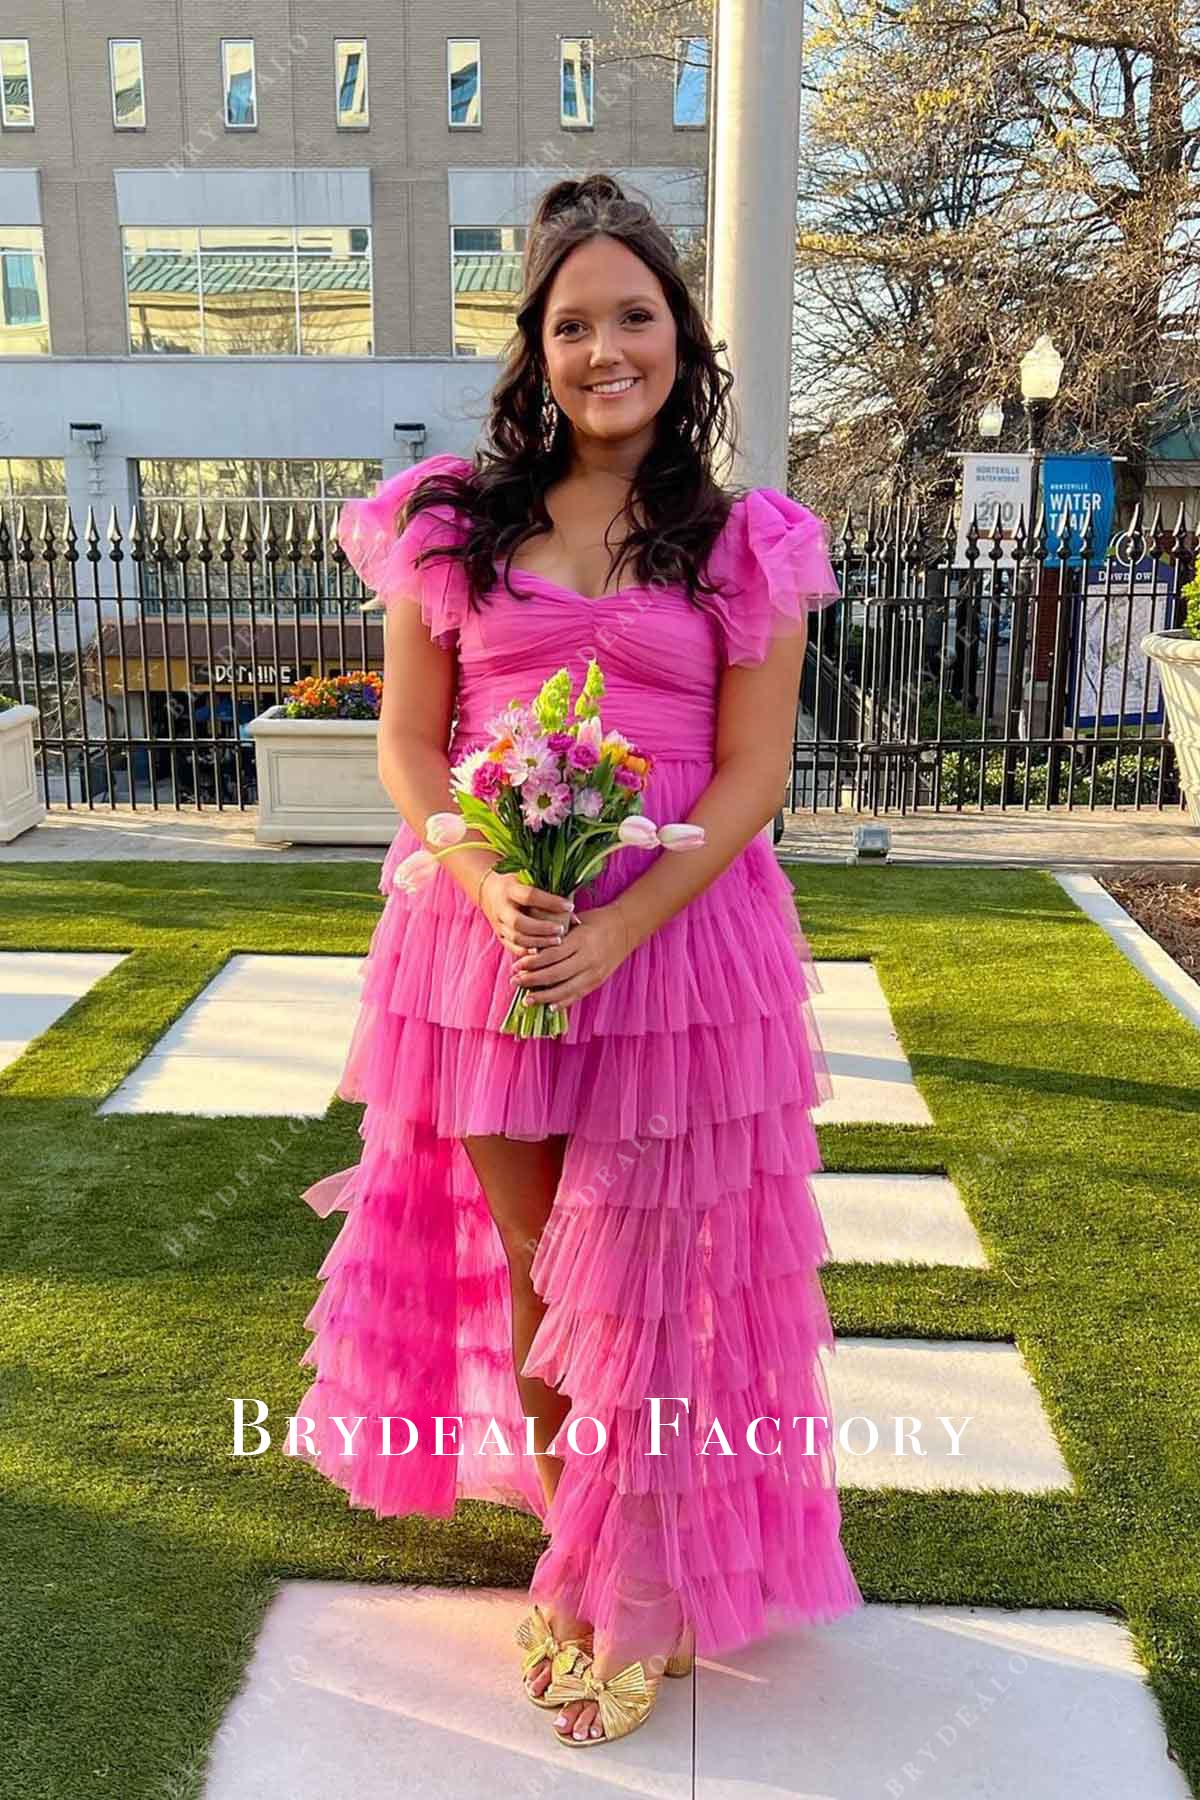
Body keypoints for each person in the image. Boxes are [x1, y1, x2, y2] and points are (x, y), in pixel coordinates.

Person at [291, 173, 864, 1751]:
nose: (606, 348)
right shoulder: (451, 526)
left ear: (681, 335)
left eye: (634, 315)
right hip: (491, 941)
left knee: (663, 1286)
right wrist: (488, 885)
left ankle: (646, 1583)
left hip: (680, 939)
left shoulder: (748, 539)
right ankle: (579, 1558)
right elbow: (414, 747)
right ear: (533, 351)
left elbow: (754, 775)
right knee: (550, 1273)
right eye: (572, 323)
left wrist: (622, 918)